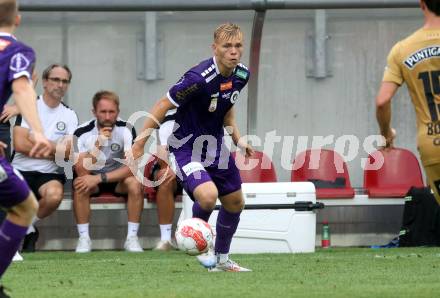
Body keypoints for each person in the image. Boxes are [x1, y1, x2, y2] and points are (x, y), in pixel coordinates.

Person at [132, 23, 254, 272]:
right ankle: (191, 233)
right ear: (215, 48)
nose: (234, 51)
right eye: (227, 46)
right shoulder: (198, 77)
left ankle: (221, 261)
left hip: (215, 147)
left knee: (235, 203)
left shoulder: (241, 75)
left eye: (238, 45)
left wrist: (237, 139)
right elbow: (162, 104)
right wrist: (139, 144)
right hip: (185, 147)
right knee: (208, 196)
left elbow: (227, 109)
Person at [0, 0, 52, 296]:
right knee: (25, 207)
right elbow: (22, 87)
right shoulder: (18, 52)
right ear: (17, 20)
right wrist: (39, 131)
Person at [376, 0, 440, 205]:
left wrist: (386, 134)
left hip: (432, 143)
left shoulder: (403, 49)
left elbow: (382, 101)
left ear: (422, 4)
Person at [11, 63, 78, 252]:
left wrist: (39, 142)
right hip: (20, 169)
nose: (60, 84)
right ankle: (28, 231)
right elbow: (20, 144)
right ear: (45, 83)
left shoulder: (70, 115)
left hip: (48, 173)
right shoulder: (29, 107)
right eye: (56, 79)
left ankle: (23, 228)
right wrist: (54, 148)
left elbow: (68, 153)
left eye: (65, 81)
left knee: (54, 196)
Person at [73, 90, 144, 253]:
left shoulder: (126, 129)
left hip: (117, 179)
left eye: (111, 112)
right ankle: (84, 239)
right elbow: (80, 169)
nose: (107, 116)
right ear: (94, 112)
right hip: (90, 179)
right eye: (103, 112)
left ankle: (132, 238)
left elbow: (131, 167)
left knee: (135, 184)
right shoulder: (81, 132)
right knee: (80, 183)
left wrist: (99, 178)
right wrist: (97, 145)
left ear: (117, 112)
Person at [152, 109, 181, 251]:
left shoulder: (209, 116)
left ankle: (205, 235)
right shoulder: (168, 122)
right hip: (175, 171)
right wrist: (175, 170)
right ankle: (166, 239)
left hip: (201, 169)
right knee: (164, 177)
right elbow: (164, 160)